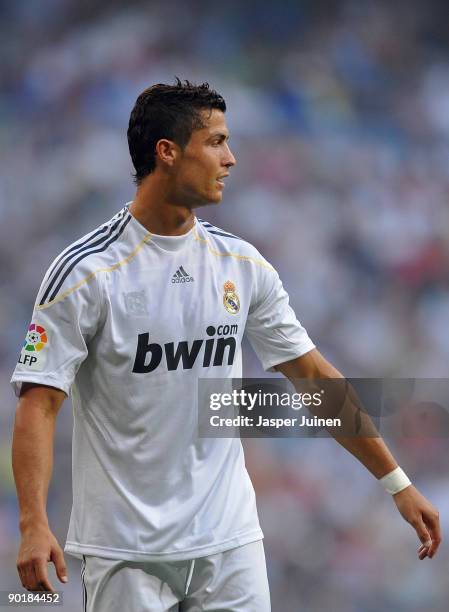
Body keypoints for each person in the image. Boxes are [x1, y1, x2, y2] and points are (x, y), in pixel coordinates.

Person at [11, 79, 441, 612]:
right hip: (125, 549)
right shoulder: (85, 272)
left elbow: (313, 378)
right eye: (215, 142)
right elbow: (39, 403)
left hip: (229, 541)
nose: (231, 158)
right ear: (167, 153)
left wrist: (396, 481)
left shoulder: (242, 265)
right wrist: (33, 524)